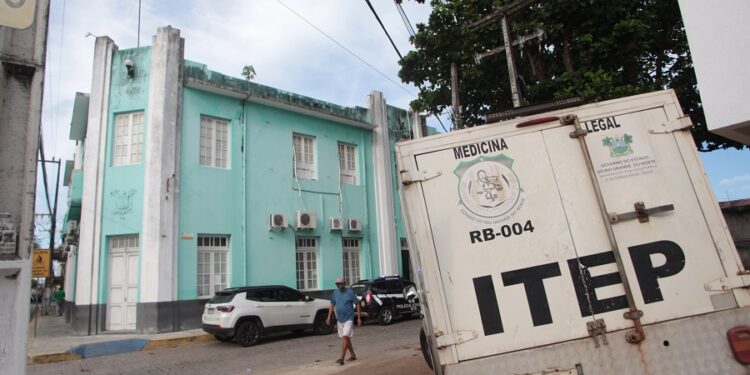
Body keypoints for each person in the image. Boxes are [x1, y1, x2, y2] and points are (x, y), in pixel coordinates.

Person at [326, 277, 362, 365]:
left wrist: (359, 318)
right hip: (340, 319)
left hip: (349, 318)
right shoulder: (335, 293)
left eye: (341, 284)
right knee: (346, 338)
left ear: (344, 283)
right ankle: (353, 355)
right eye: (338, 284)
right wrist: (328, 317)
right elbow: (332, 305)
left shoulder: (350, 292)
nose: (339, 285)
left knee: (345, 336)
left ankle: (342, 358)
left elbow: (357, 304)